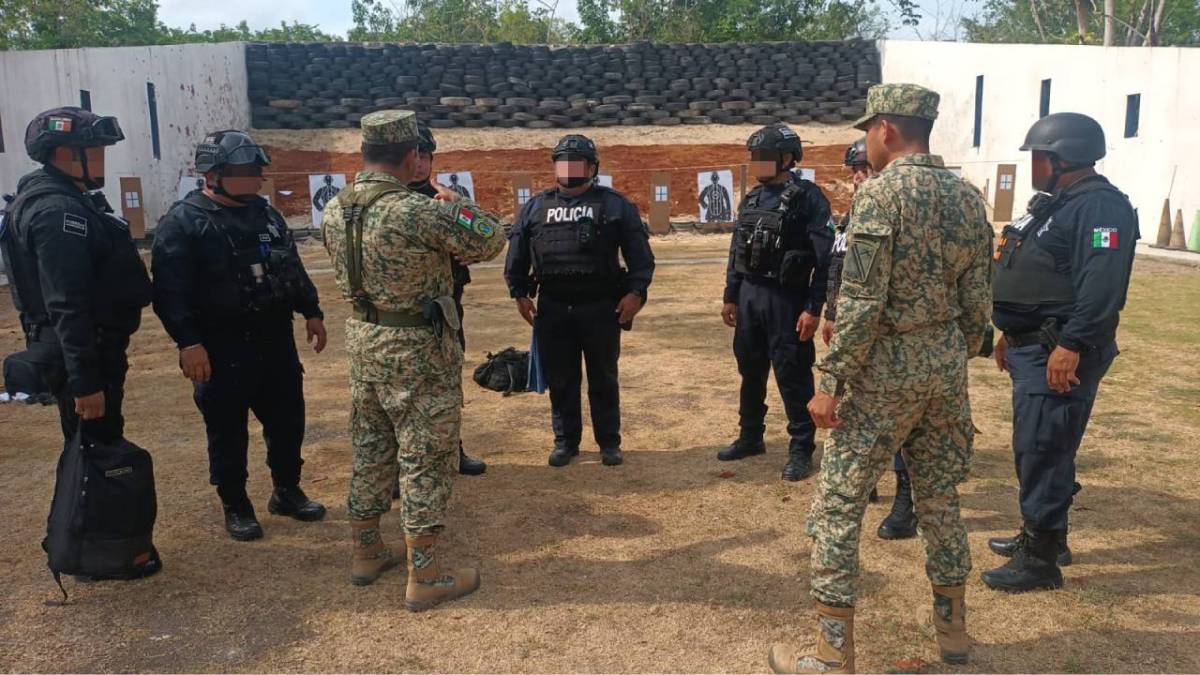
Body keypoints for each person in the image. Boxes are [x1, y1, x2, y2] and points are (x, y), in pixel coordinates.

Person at [768, 84, 992, 673]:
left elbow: (863, 302)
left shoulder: (880, 196)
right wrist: (948, 351)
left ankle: (829, 655)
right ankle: (954, 639)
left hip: (884, 372)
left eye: (868, 130)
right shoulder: (968, 197)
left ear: (886, 130)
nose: (866, 140)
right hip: (943, 368)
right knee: (940, 499)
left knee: (839, 505)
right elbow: (977, 308)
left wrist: (831, 380)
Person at [320, 110, 504, 609]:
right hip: (416, 350)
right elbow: (491, 235)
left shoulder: (337, 209)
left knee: (371, 445)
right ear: (409, 157)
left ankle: (366, 552)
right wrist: (457, 202)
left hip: (365, 342)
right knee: (426, 455)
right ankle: (426, 574)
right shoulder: (412, 210)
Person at [982, 112, 1137, 593]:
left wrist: (1071, 344)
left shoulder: (1101, 208)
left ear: (1061, 158)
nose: (1033, 165)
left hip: (1061, 349)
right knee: (1043, 446)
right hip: (1035, 344)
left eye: (1039, 157)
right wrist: (1010, 330)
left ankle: (1040, 560)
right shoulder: (1056, 205)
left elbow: (1102, 285)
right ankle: (1048, 536)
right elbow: (1035, 273)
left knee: (1043, 448)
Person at [0, 106, 157, 579]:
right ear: (66, 154)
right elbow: (67, 303)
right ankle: (99, 552)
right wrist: (86, 381)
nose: (103, 159)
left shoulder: (69, 198)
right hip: (86, 354)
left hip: (93, 348)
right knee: (96, 451)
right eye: (95, 151)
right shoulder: (57, 211)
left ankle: (102, 544)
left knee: (94, 447)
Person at [152, 130, 328, 542]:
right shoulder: (183, 223)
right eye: (247, 171)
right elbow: (169, 293)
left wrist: (312, 311)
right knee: (227, 431)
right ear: (213, 174)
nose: (257, 179)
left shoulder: (266, 215)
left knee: (288, 421)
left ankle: (286, 490)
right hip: (220, 346)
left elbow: (291, 266)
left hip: (274, 339)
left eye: (257, 171)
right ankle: (236, 503)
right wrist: (188, 343)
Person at [504, 134, 655, 468]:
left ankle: (609, 442)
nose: (570, 167)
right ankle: (565, 441)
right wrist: (519, 293)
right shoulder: (535, 207)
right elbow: (516, 256)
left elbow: (641, 259)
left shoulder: (615, 205)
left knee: (603, 377)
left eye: (577, 161)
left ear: (592, 167)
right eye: (563, 160)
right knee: (561, 378)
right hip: (554, 307)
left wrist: (636, 293)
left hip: (601, 307)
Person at [719, 123, 833, 482]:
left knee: (793, 374)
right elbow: (737, 251)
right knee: (750, 370)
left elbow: (825, 259)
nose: (758, 163)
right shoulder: (751, 199)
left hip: (787, 299)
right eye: (754, 157)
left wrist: (814, 308)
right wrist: (730, 296)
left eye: (764, 157)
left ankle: (801, 447)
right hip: (751, 295)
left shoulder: (808, 198)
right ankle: (751, 436)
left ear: (787, 158)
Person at [825, 138, 912, 532]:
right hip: (850, 329)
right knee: (853, 414)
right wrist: (830, 313)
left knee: (901, 421)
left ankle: (906, 502)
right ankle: (865, 483)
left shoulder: (892, 213)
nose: (858, 177)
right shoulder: (852, 214)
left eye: (863, 168)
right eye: (854, 171)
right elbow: (837, 268)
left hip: (888, 337)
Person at [397, 121, 487, 478]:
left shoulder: (446, 199)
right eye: (414, 156)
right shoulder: (387, 201)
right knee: (400, 394)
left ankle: (453, 449)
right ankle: (399, 465)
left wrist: (473, 248)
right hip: (402, 316)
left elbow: (484, 235)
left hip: (447, 312)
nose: (420, 164)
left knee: (448, 385)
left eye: (426, 156)